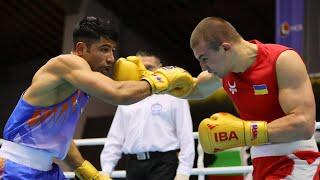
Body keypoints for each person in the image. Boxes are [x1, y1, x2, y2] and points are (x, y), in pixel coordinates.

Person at [0, 16, 194, 180]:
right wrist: (160, 81)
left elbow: (57, 136)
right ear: (81, 48)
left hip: (47, 170)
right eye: (104, 49)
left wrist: (85, 169)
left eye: (112, 50)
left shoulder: (78, 88)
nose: (111, 58)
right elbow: (119, 93)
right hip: (15, 167)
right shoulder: (65, 64)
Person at [187, 17, 320, 179]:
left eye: (204, 59)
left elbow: (304, 124)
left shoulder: (282, 60)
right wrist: (154, 84)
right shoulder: (224, 72)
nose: (204, 68)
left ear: (225, 48)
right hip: (260, 160)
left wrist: (245, 133)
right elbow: (192, 89)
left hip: (295, 160)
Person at [100, 50, 195, 180]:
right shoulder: (127, 96)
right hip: (133, 164)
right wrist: (106, 170)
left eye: (149, 67)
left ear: (160, 68)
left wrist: (183, 172)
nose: (144, 72)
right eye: (139, 68)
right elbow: (115, 136)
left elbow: (186, 135)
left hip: (163, 163)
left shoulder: (174, 96)